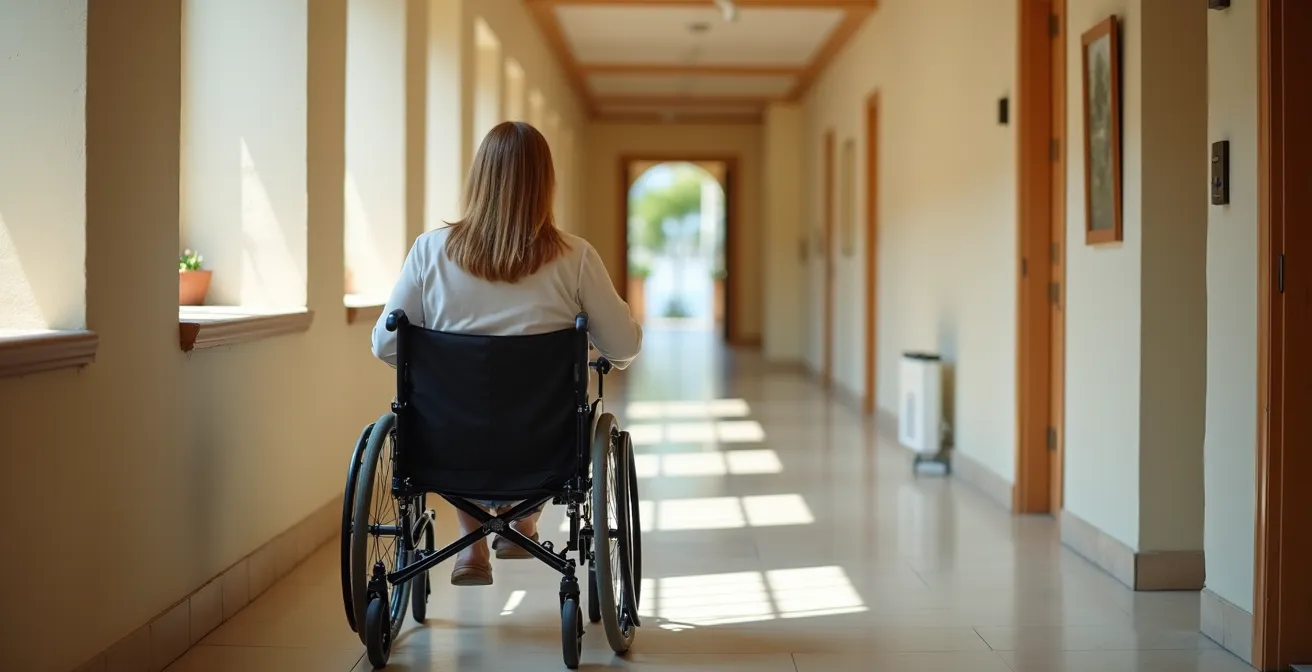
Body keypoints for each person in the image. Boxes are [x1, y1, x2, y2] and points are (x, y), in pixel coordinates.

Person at [370, 121, 642, 586]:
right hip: (545, 449)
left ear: (479, 178)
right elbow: (624, 346)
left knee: (457, 416)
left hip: (445, 445)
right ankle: (522, 522)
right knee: (541, 417)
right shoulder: (575, 258)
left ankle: (472, 547)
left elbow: (386, 344)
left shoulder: (428, 252)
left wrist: (441, 361)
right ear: (546, 184)